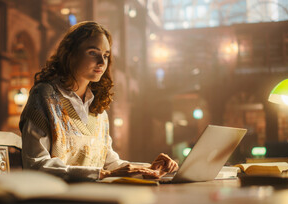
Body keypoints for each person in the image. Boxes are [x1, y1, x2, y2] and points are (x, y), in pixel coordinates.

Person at [19, 21, 178, 182]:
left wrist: (149, 169)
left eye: (106, 55)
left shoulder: (97, 106)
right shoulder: (45, 95)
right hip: (57, 200)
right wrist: (103, 174)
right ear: (71, 53)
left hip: (96, 196)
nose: (102, 62)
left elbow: (110, 163)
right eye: (92, 53)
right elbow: (36, 165)